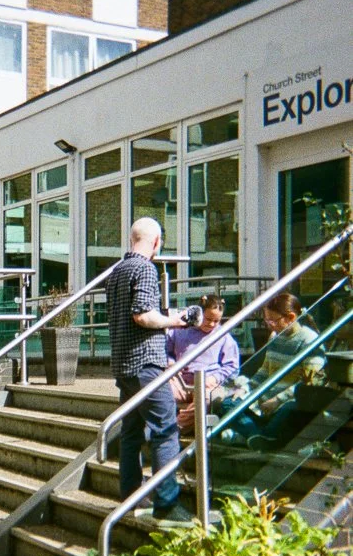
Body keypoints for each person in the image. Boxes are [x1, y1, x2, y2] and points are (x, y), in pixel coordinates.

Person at [106, 217, 194, 526]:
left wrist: (169, 315)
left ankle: (130, 494)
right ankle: (167, 502)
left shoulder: (117, 272)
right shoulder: (145, 269)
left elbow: (136, 312)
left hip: (123, 364)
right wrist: (178, 321)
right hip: (145, 363)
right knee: (166, 428)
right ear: (156, 242)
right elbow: (143, 315)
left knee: (131, 432)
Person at [220, 292, 326, 451]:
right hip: (264, 401)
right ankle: (259, 437)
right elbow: (264, 370)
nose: (269, 325)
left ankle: (250, 436)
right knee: (228, 403)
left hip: (289, 402)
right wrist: (246, 389)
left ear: (290, 317)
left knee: (288, 411)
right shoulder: (275, 336)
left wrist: (278, 399)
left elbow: (308, 382)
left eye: (272, 320)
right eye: (266, 320)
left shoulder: (310, 340)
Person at [166, 293, 240, 434]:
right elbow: (165, 350)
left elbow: (232, 366)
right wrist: (170, 363)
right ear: (199, 314)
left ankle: (175, 428)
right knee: (161, 391)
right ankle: (161, 423)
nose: (211, 324)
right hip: (181, 380)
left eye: (216, 321)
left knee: (206, 398)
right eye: (208, 319)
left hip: (208, 382)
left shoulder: (223, 336)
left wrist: (215, 378)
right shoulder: (180, 330)